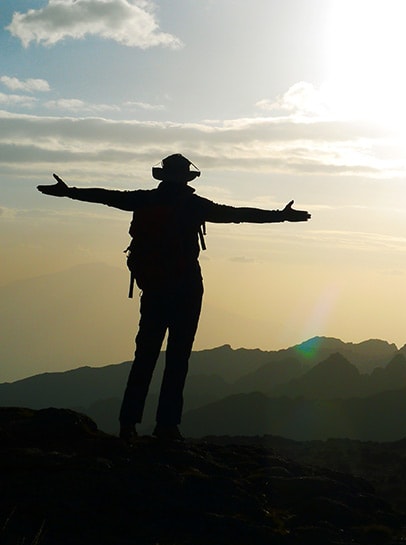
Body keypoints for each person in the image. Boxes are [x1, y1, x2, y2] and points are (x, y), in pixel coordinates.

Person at [37, 154, 311, 442]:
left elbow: (105, 196)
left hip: (153, 288)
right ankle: (167, 426)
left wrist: (69, 192)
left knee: (144, 357)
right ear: (186, 178)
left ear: (163, 176)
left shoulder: (143, 200)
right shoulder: (194, 205)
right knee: (178, 358)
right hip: (187, 288)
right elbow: (237, 214)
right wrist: (280, 215)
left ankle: (128, 424)